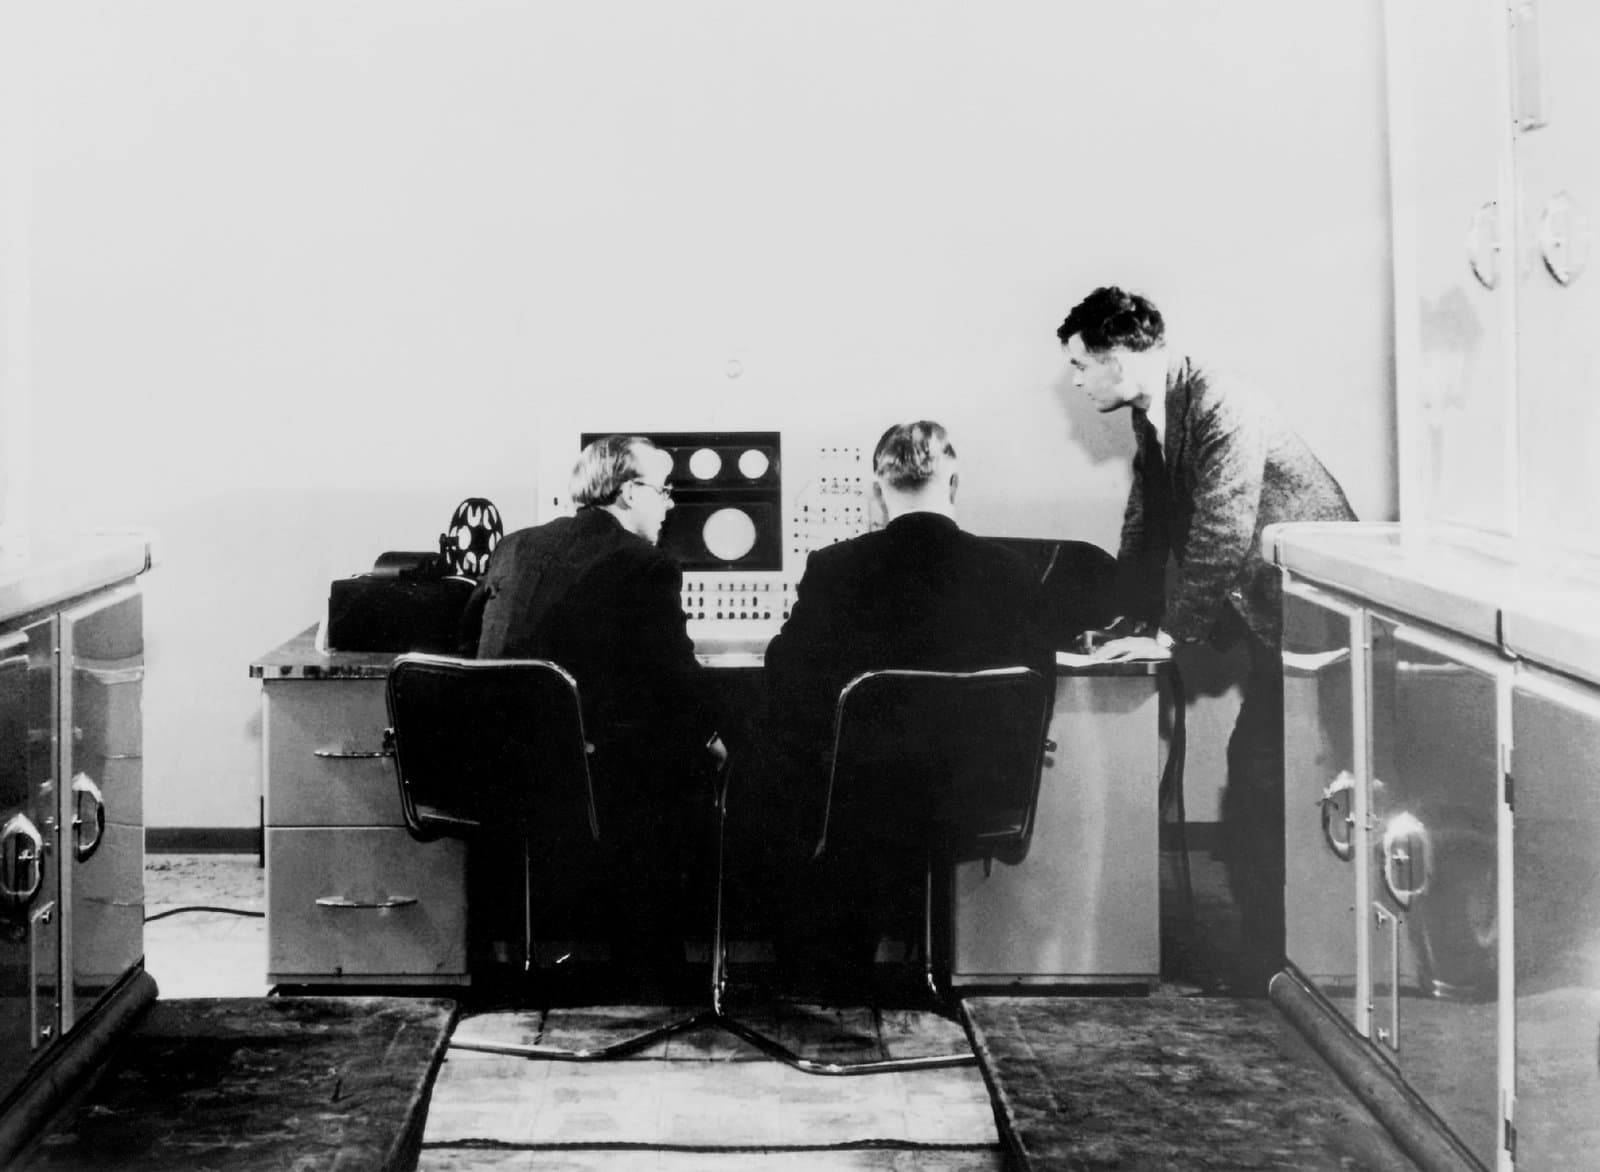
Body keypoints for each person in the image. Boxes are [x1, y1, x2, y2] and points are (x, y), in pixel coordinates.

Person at [1055, 285, 1357, 989]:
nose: (1075, 379)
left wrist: (1167, 638)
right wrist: (1119, 621)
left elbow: (1223, 524)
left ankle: (1272, 964)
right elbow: (1149, 522)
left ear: (1120, 353)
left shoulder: (1221, 400)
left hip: (1320, 620)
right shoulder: (1155, 414)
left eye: (1079, 363)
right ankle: (1271, 957)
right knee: (1260, 778)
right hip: (1268, 617)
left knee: (1261, 779)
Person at [744, 420, 1053, 992]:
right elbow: (1038, 687)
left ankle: (817, 971)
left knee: (772, 768)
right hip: (977, 794)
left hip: (863, 797)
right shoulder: (1012, 572)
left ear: (877, 488)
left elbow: (787, 674)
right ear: (953, 483)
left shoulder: (835, 568)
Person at [457, 434, 726, 989]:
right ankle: (654, 973)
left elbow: (464, 645)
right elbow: (678, 681)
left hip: (487, 772)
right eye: (665, 490)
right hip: (585, 782)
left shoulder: (514, 546)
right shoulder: (644, 565)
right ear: (629, 494)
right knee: (681, 767)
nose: (670, 504)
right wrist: (716, 740)